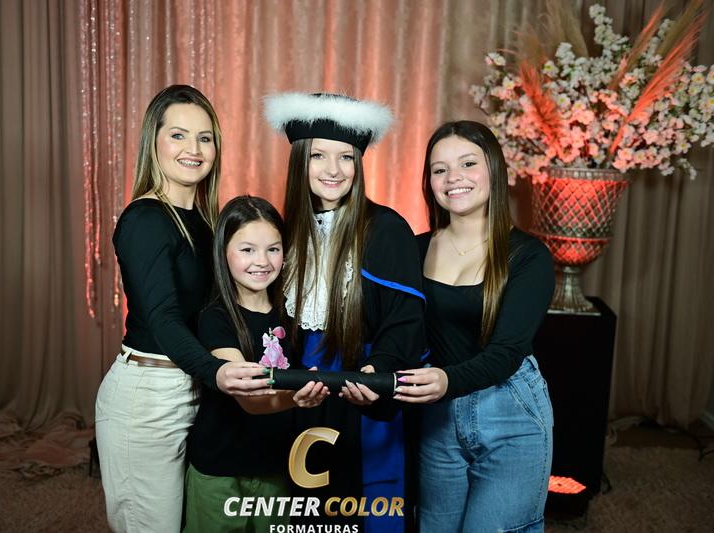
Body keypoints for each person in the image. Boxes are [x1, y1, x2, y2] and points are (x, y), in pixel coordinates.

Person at [94, 85, 271, 533]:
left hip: (194, 389)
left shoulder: (208, 223)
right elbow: (162, 319)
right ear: (153, 142)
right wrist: (216, 371)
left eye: (204, 138)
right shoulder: (145, 220)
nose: (193, 149)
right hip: (148, 396)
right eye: (178, 135)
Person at [264, 92, 428, 532]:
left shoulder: (387, 229)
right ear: (300, 161)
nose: (333, 170)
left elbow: (406, 320)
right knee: (308, 506)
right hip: (304, 389)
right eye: (318, 155)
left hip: (363, 384)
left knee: (368, 505)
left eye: (346, 157)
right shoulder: (283, 232)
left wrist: (378, 371)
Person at [393, 120, 555, 532]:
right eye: (440, 169)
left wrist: (446, 381)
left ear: (494, 170)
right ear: (429, 181)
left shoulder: (528, 256)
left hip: (511, 411)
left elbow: (507, 353)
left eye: (468, 163)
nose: (454, 178)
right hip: (438, 414)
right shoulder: (412, 250)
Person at [184, 195, 329, 533]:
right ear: (223, 253)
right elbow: (249, 398)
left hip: (275, 466)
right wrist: (297, 397)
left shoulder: (294, 313)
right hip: (219, 469)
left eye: (273, 249)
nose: (262, 261)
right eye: (247, 250)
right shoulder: (215, 317)